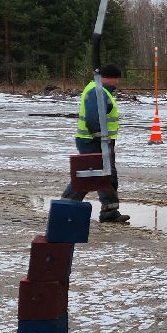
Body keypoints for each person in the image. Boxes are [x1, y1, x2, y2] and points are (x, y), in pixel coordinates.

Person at [61, 64, 130, 224]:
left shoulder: (101, 90)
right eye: (115, 79)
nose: (117, 83)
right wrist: (101, 139)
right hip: (93, 142)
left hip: (99, 141)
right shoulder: (96, 91)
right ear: (107, 78)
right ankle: (64, 208)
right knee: (88, 176)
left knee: (106, 176)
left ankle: (110, 212)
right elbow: (93, 119)